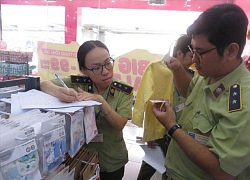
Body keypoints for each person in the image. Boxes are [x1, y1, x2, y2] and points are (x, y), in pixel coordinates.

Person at [153, 3, 250, 180]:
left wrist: (172, 127)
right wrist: (178, 70)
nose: (194, 59)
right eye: (192, 50)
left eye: (201, 52)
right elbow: (190, 91)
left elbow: (221, 171)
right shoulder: (210, 72)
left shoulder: (243, 100)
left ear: (231, 50)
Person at [40, 40, 134, 180]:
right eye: (96, 68)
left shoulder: (123, 91)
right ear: (83, 70)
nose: (106, 71)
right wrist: (58, 91)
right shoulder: (78, 83)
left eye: (108, 63)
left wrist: (101, 101)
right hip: (82, 157)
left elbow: (119, 124)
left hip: (111, 159)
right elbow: (43, 84)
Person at [137, 34, 194, 180]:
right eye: (191, 56)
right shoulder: (157, 70)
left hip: (179, 134)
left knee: (169, 169)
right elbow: (147, 100)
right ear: (179, 53)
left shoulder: (192, 77)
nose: (193, 61)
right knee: (149, 165)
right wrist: (149, 134)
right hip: (159, 131)